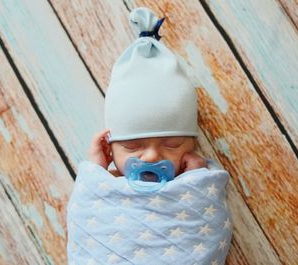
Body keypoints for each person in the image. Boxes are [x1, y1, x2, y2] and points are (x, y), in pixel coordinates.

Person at [67, 7, 232, 265]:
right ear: (110, 150)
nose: (153, 155)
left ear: (193, 145)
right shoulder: (101, 188)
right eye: (132, 145)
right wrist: (96, 170)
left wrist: (198, 179)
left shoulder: (195, 186)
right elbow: (86, 219)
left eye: (172, 143)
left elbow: (208, 227)